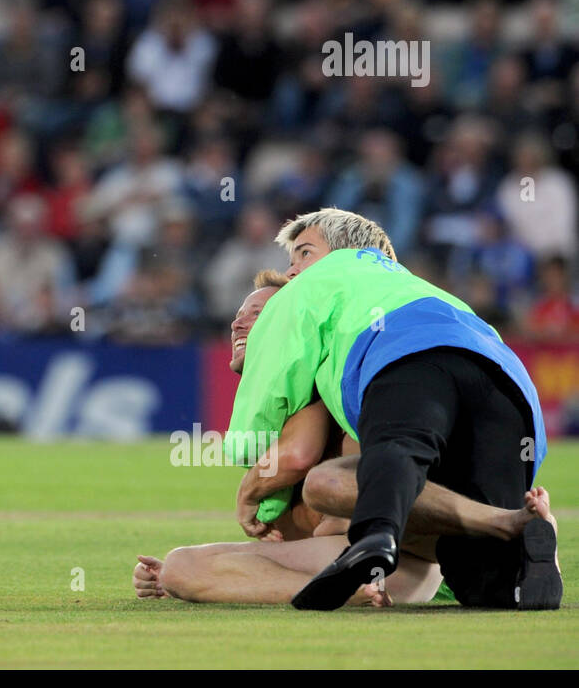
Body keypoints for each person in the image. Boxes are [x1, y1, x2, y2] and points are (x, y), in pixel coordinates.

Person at [135, 269, 545, 606]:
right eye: (238, 315)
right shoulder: (283, 402)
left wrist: (248, 490)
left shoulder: (317, 384)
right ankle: (349, 592)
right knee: (180, 567)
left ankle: (498, 525)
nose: (238, 322)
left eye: (259, 313)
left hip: (393, 554)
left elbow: (298, 456)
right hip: (385, 567)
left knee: (325, 484)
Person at [232, 208, 560, 610]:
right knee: (482, 580)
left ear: (347, 251)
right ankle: (534, 554)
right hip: (510, 384)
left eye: (303, 253)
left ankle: (375, 538)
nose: (292, 272)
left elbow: (274, 385)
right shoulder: (420, 286)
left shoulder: (320, 280)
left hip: (407, 355)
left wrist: (252, 479)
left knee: (397, 446)